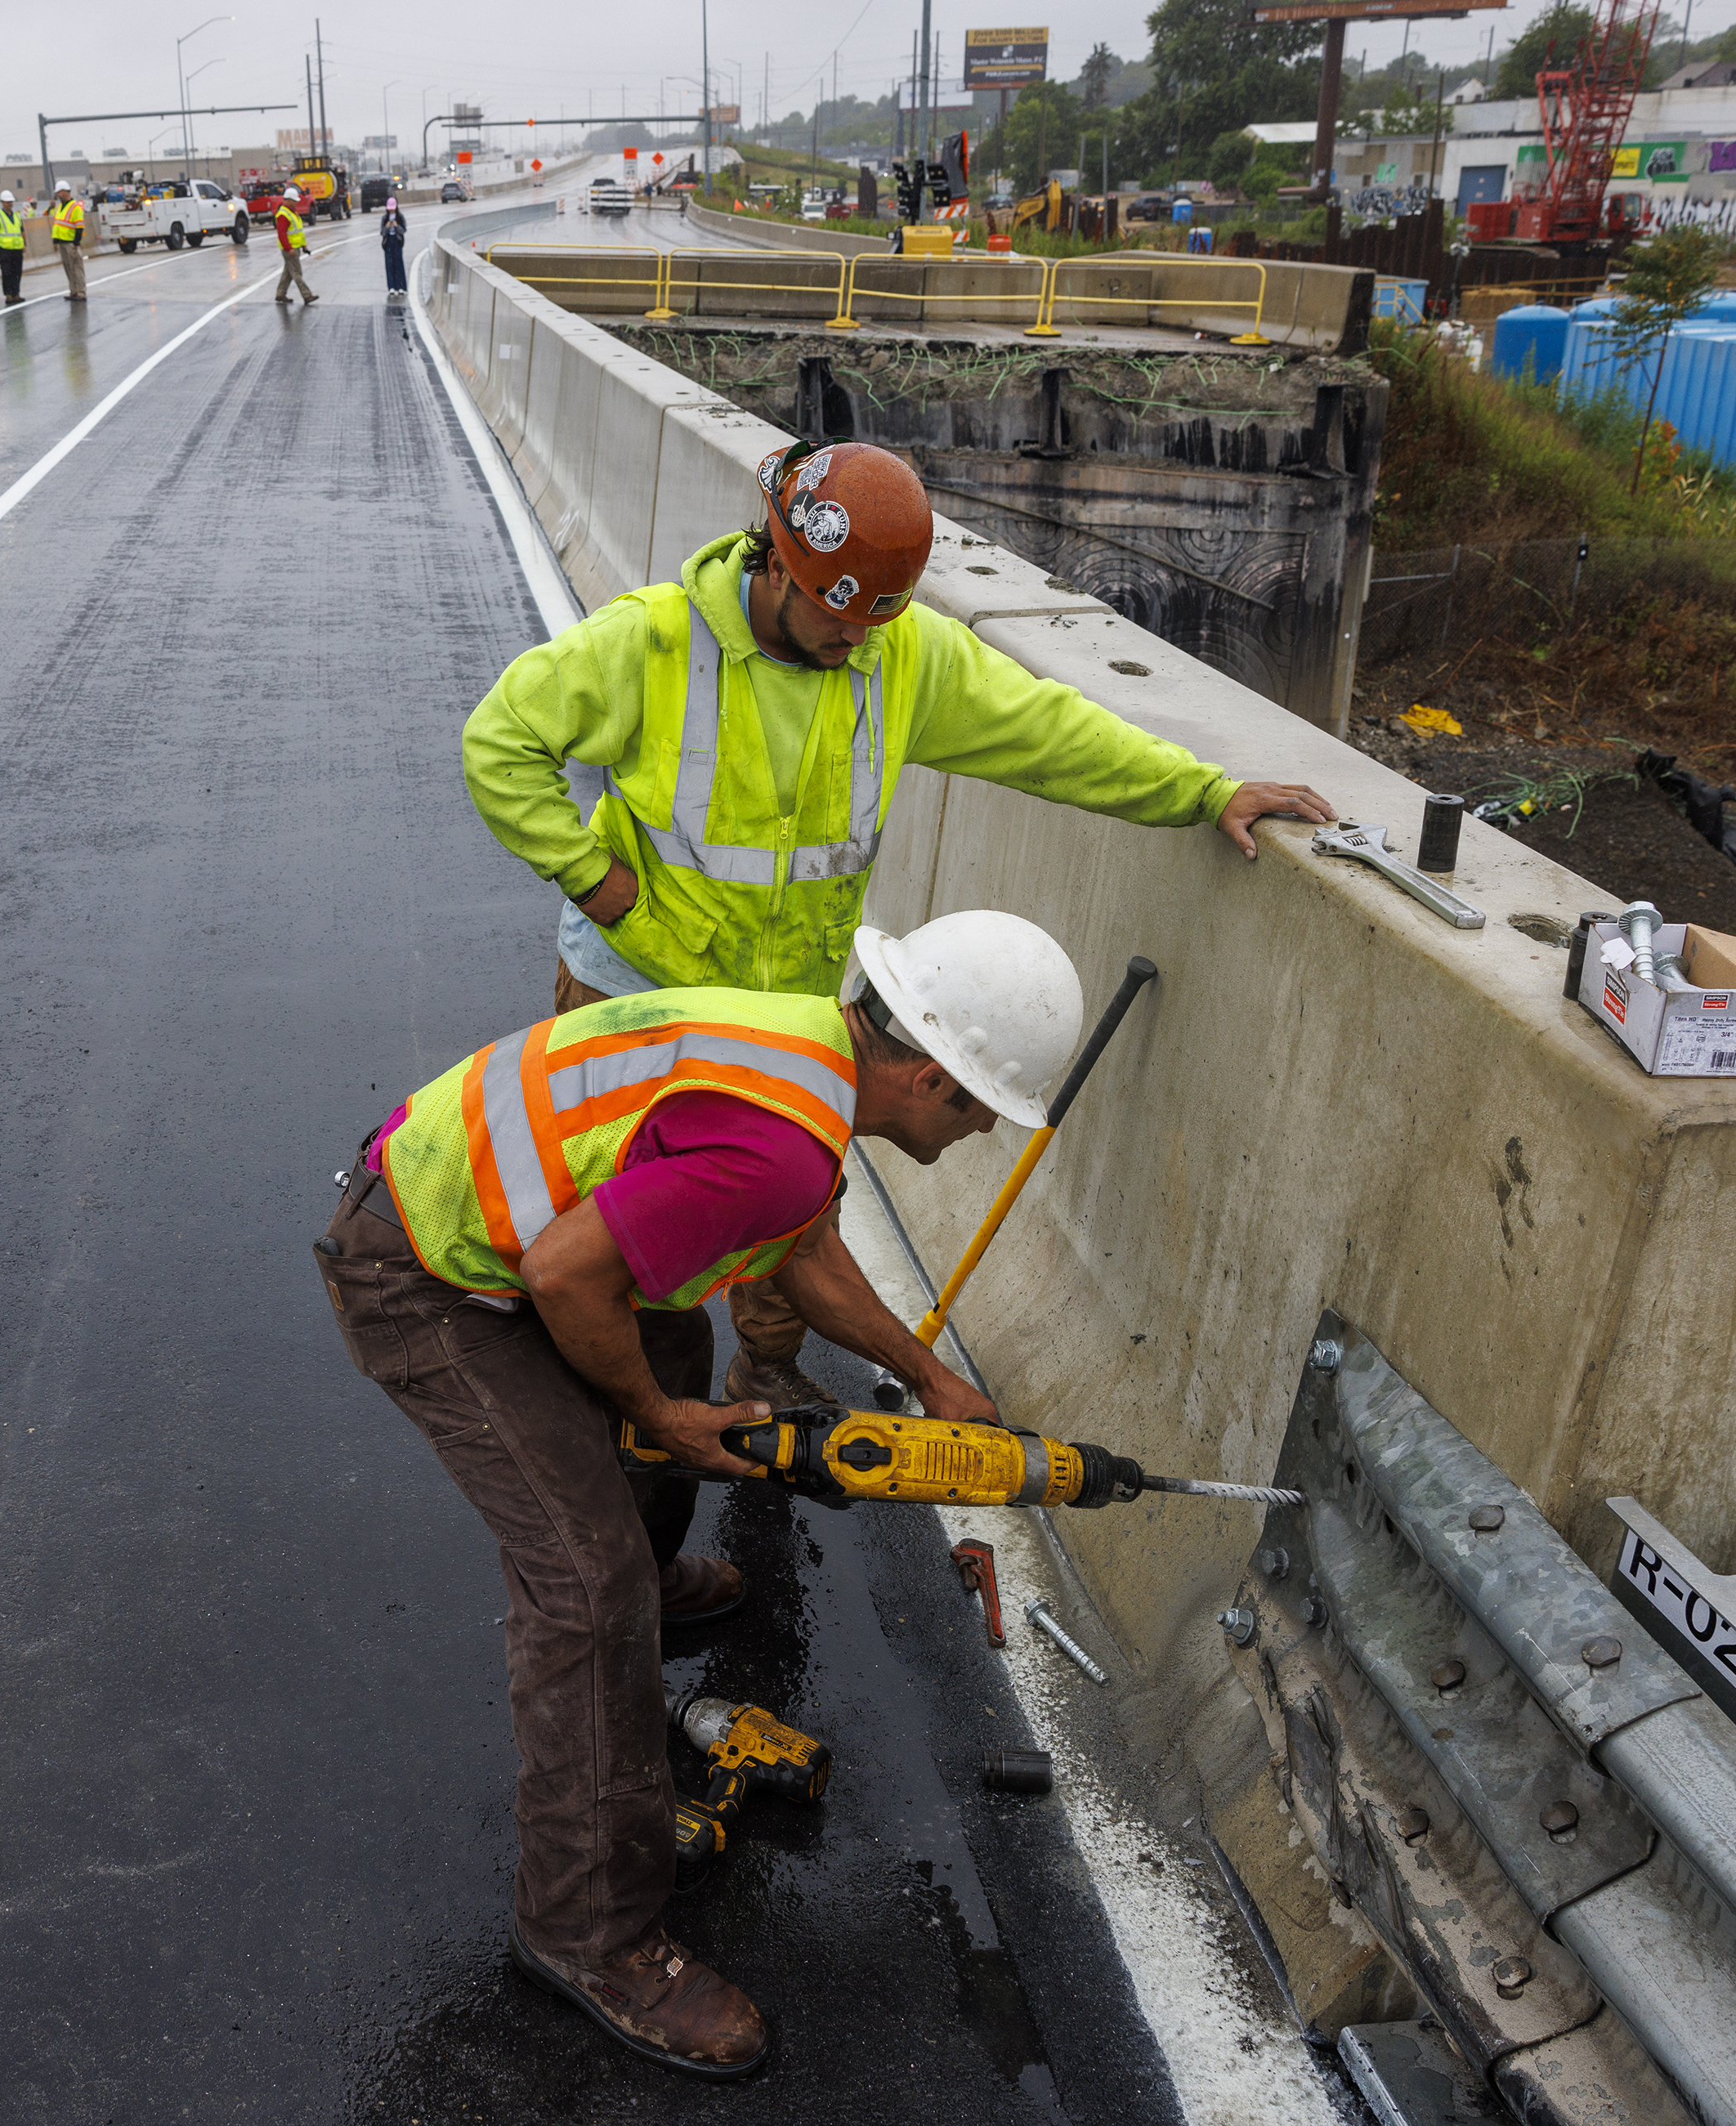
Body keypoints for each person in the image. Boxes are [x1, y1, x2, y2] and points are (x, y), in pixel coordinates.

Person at [315, 911, 1075, 2077]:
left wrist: (928, 1377)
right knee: (584, 1586)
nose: (970, 1133)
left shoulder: (808, 1054)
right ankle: (585, 1932)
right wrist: (666, 1425)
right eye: (975, 1110)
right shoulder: (783, 1141)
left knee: (667, 1341)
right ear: (925, 1076)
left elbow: (802, 1253)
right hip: (422, 1270)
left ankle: (649, 1573)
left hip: (475, 1206)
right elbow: (569, 1274)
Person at [460, 441, 1330, 1417]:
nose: (855, 642)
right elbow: (501, 742)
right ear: (780, 563)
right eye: (837, 616)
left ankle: (769, 1374)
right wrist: (591, 877)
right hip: (639, 995)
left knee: (791, 1205)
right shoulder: (652, 644)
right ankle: (634, 1444)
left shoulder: (897, 656)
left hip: (787, 1016)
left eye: (877, 619)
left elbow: (1050, 733)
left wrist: (1203, 791)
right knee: (622, 1246)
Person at [272, 187, 315, 305]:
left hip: (294, 247)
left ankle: (280, 295)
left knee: (288, 273)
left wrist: (304, 246)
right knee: (296, 272)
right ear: (289, 200)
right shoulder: (283, 214)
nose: (297, 202)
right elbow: (282, 234)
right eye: (295, 200)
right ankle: (307, 295)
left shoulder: (292, 212)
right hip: (290, 249)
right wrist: (289, 248)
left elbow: (298, 232)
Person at [51, 179, 89, 302]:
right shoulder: (59, 207)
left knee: (77, 267)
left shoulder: (75, 207)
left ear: (64, 192)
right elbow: (57, 225)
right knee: (68, 268)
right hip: (62, 242)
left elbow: (79, 227)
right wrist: (55, 241)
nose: (57, 195)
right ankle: (73, 291)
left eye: (58, 192)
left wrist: (76, 243)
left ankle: (81, 292)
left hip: (71, 243)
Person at [0, 190, 26, 304]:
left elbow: (22, 231)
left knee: (17, 272)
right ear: (2, 202)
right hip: (5, 249)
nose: (10, 204)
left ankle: (16, 294)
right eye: (7, 202)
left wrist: (25, 244)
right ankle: (8, 295)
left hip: (17, 249)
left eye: (11, 202)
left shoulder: (17, 216)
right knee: (7, 272)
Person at [379, 195, 409, 301]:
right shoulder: (385, 218)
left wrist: (396, 226)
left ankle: (401, 287)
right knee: (389, 264)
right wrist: (387, 227)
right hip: (388, 242)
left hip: (397, 242)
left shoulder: (400, 217)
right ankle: (391, 287)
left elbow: (404, 230)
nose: (391, 210)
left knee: (398, 264)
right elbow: (382, 232)